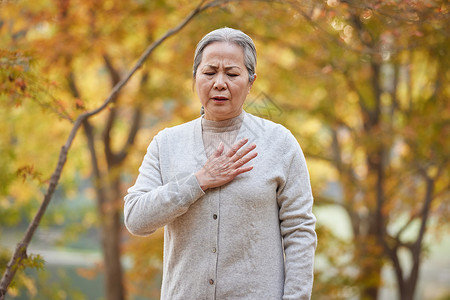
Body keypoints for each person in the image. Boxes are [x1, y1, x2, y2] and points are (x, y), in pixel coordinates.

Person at [124, 27, 317, 300]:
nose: (219, 83)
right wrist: (197, 182)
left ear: (251, 82)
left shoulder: (279, 144)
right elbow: (135, 219)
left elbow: (300, 231)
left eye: (232, 73)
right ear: (195, 77)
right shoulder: (166, 144)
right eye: (210, 72)